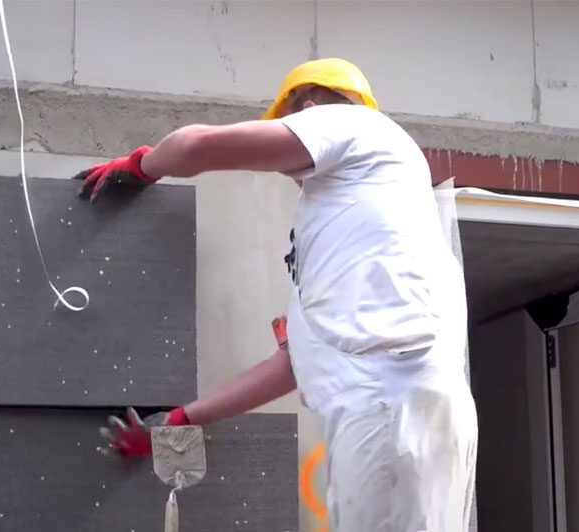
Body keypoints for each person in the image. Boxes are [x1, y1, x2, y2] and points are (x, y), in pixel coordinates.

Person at [77, 58, 478, 532]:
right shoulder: (346, 244)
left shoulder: (358, 127)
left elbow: (196, 146)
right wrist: (181, 418)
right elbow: (292, 367)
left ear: (308, 109)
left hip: (388, 408)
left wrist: (141, 167)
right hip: (393, 410)